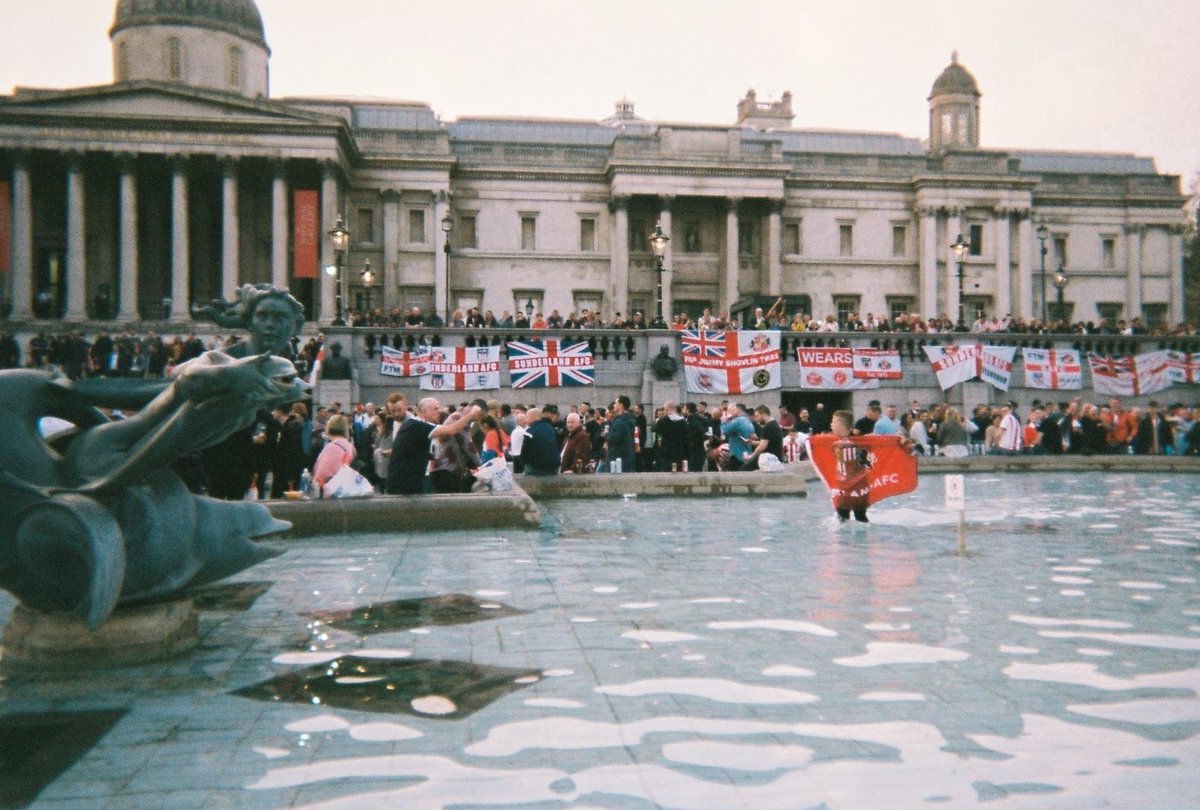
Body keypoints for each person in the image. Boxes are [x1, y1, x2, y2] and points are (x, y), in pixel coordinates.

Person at [807, 409, 916, 523]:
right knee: (846, 516)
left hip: (858, 486)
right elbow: (813, 442)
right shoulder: (830, 439)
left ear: (841, 424)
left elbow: (883, 442)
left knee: (855, 516)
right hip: (845, 486)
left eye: (833, 422)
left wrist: (900, 442)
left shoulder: (862, 440)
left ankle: (851, 539)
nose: (831, 424)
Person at [386, 398, 479, 495]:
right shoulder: (419, 425)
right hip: (404, 486)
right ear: (424, 411)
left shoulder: (411, 424)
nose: (439, 412)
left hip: (404, 484)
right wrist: (471, 414)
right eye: (435, 409)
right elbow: (451, 430)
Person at [430, 405, 482, 493]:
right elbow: (468, 446)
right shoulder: (460, 419)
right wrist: (481, 466)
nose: (478, 420)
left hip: (437, 467)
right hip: (448, 469)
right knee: (451, 503)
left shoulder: (454, 416)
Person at [312, 415, 356, 495]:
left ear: (328, 428)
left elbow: (322, 474)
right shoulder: (349, 446)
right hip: (345, 490)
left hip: (330, 494)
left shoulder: (332, 447)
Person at [520, 407, 559, 476]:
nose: (526, 420)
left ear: (533, 417)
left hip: (535, 468)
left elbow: (524, 452)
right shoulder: (550, 428)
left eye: (527, 417)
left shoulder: (530, 431)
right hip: (553, 467)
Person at [719, 402, 757, 471]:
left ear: (738, 410)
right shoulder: (749, 421)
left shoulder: (738, 421)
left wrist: (723, 422)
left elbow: (724, 431)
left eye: (731, 411)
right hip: (747, 454)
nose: (729, 413)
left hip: (736, 455)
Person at [605, 395, 637, 473]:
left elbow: (615, 438)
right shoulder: (630, 419)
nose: (614, 405)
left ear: (621, 405)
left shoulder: (619, 421)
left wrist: (607, 434)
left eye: (616, 403)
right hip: (627, 458)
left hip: (616, 459)